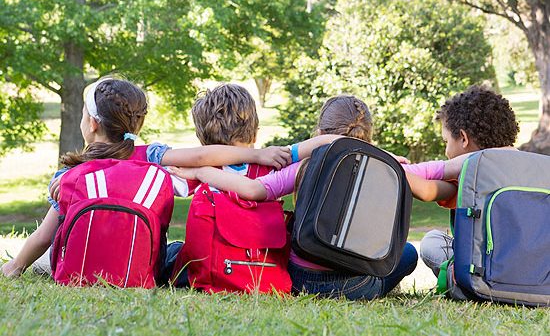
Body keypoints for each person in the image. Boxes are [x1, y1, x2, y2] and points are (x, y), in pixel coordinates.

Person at [169, 94, 456, 299]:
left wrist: (204, 173)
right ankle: (373, 287)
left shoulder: (304, 165)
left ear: (319, 133)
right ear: (369, 135)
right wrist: (454, 187)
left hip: (300, 279)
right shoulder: (391, 169)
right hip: (356, 285)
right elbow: (440, 173)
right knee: (407, 253)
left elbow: (255, 190)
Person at [0, 78, 292, 279]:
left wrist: (14, 267)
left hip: (79, 258)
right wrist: (256, 154)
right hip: (139, 265)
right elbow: (202, 157)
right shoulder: (150, 155)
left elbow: (43, 235)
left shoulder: (73, 172)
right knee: (176, 251)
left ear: (91, 123)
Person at [418, 85, 520, 277]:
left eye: (445, 141)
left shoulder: (468, 179)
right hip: (530, 269)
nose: (446, 150)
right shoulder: (530, 170)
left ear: (463, 138)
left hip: (482, 271)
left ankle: (455, 276)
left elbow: (424, 189)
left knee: (432, 241)